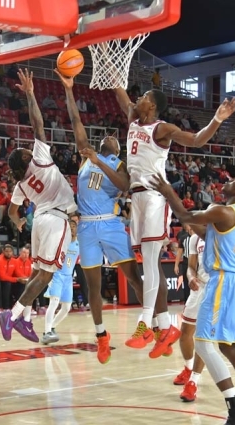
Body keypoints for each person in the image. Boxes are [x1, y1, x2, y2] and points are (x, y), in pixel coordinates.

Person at [112, 83, 235, 359]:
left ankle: (146, 323)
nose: (138, 98)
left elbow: (197, 141)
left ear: (153, 105)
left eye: (144, 96)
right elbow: (120, 93)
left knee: (150, 258)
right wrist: (112, 70)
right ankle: (165, 327)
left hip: (155, 196)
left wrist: (217, 119)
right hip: (136, 197)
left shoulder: (163, 128)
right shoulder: (134, 119)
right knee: (150, 262)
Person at [152, 170, 235, 425]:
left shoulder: (225, 212)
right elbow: (207, 234)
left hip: (221, 281)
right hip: (233, 281)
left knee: (202, 343)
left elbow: (187, 216)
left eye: (234, 181)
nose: (228, 181)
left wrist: (168, 192)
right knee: (228, 346)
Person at [55, 71, 168, 362]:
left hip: (112, 224)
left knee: (133, 278)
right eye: (107, 137)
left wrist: (98, 162)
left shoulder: (119, 164)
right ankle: (101, 336)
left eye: (114, 139)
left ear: (118, 148)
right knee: (93, 286)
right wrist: (69, 90)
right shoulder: (86, 154)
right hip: (87, 228)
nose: (110, 138)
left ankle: (157, 329)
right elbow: (76, 121)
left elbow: (124, 186)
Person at [0, 69, 77, 344]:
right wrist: (30, 94)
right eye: (25, 151)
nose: (29, 149)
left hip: (40, 221)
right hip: (55, 220)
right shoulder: (39, 160)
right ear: (26, 159)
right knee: (45, 275)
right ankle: (13, 314)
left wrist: (18, 222)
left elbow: (11, 211)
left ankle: (28, 321)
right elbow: (38, 124)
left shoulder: (21, 184)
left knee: (35, 272)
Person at [175, 227, 208, 402]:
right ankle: (188, 368)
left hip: (215, 291)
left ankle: (193, 382)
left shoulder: (222, 235)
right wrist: (190, 278)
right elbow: (190, 267)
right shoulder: (194, 239)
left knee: (203, 339)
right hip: (198, 289)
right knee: (185, 333)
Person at [41, 218, 78, 344]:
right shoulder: (61, 242)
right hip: (57, 275)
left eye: (74, 226)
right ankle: (46, 333)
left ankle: (52, 327)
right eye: (70, 226)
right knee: (54, 303)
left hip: (68, 278)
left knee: (66, 308)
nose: (72, 228)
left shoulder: (79, 243)